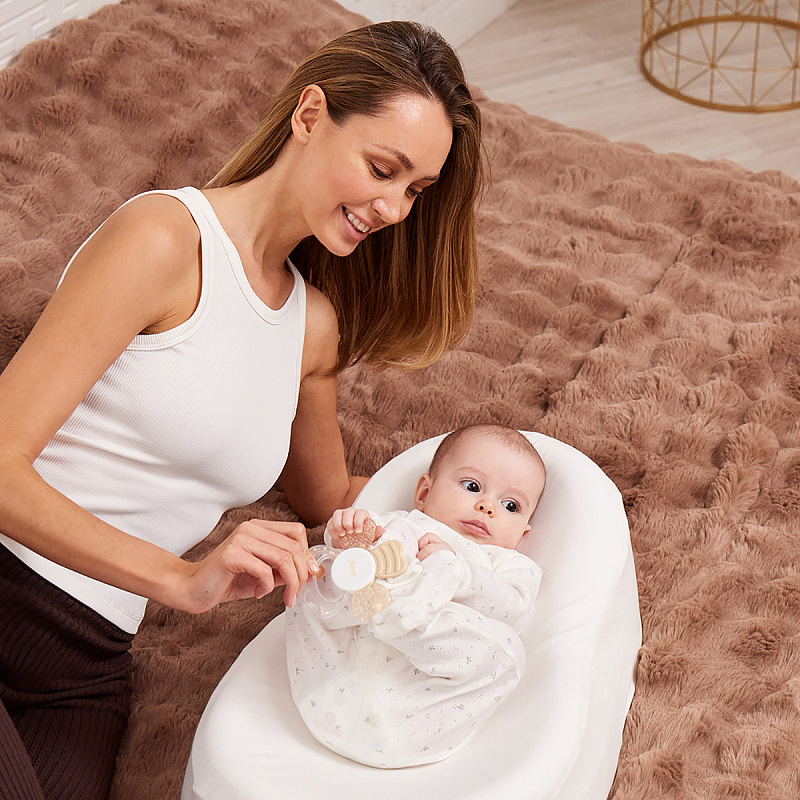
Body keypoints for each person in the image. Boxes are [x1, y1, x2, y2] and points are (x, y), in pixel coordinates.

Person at [0, 20, 484, 800]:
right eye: (382, 169)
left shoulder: (311, 326)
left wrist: (476, 510)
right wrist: (181, 579)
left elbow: (331, 500)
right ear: (310, 115)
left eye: (414, 190)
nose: (394, 207)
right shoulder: (166, 239)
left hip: (80, 664)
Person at [286, 424, 546, 768]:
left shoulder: (507, 563)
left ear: (523, 532)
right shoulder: (401, 525)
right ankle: (395, 604)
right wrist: (349, 538)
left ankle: (407, 618)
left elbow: (514, 611)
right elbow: (348, 565)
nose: (487, 506)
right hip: (334, 683)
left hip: (408, 715)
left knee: (508, 653)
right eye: (472, 486)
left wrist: (455, 572)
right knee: (314, 571)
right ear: (424, 492)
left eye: (511, 506)